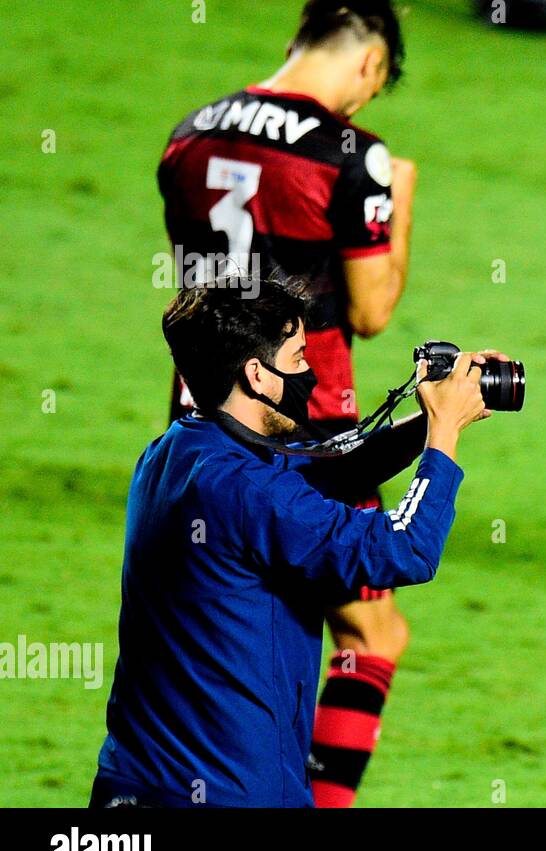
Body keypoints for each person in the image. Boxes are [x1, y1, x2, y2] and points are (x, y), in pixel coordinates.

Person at [92, 281, 495, 807]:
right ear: (258, 375)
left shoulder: (172, 453)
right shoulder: (251, 491)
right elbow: (406, 548)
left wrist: (431, 417)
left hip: (132, 788)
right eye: (299, 357)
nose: (311, 374)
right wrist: (444, 438)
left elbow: (317, 469)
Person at [156, 0, 418, 806]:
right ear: (369, 65)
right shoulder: (353, 155)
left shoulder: (190, 135)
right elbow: (372, 313)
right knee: (370, 631)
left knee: (224, 623)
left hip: (198, 424)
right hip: (310, 432)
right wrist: (400, 199)